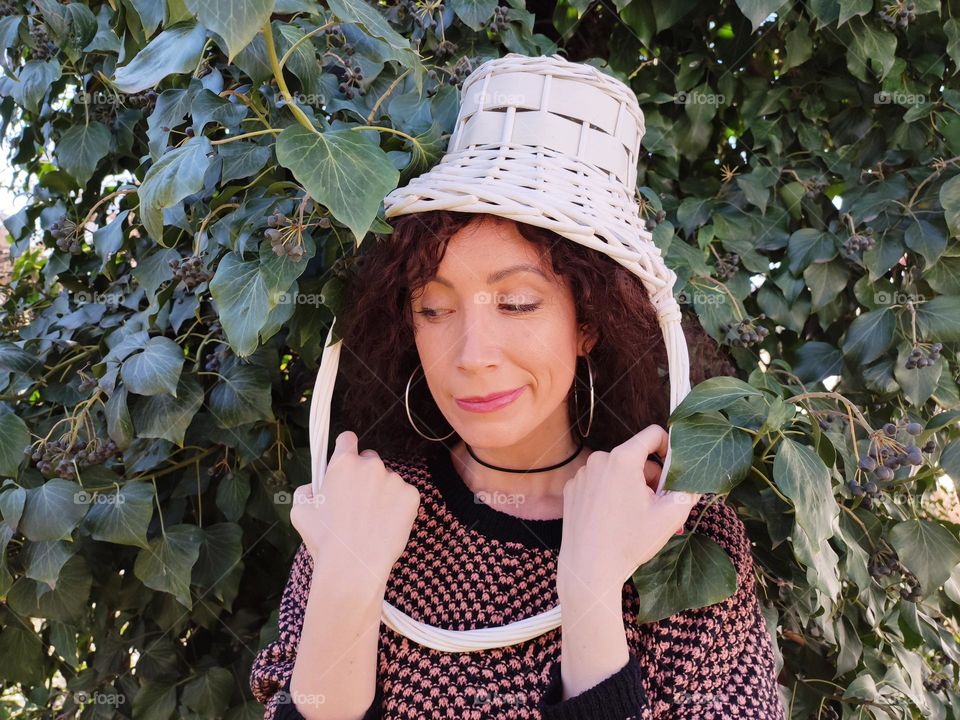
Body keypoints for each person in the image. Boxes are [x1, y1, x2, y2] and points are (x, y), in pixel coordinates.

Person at [250, 53, 786, 719]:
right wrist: (347, 578)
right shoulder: (360, 508)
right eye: (435, 309)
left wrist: (589, 591)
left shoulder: (681, 536)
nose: (472, 356)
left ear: (587, 321)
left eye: (518, 303)